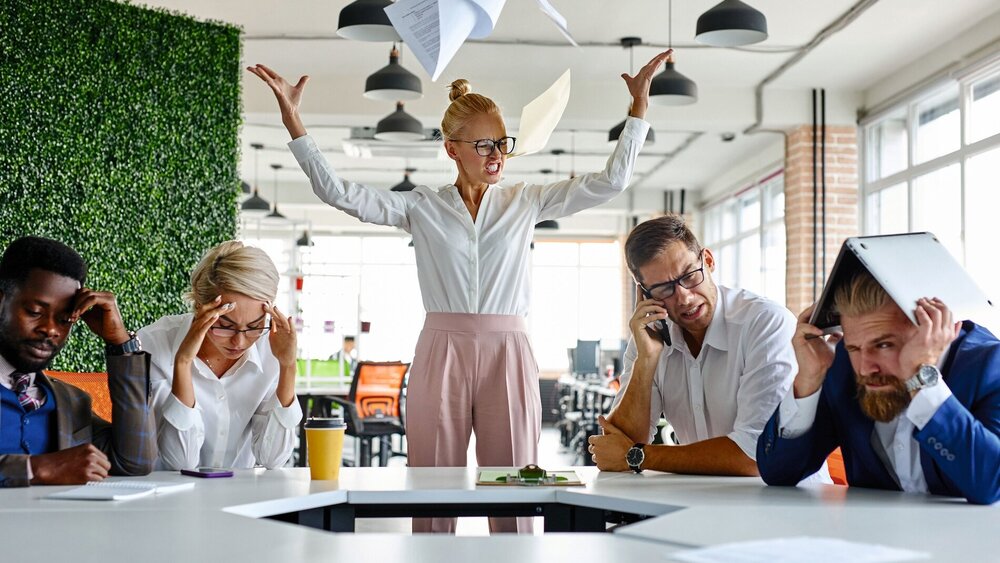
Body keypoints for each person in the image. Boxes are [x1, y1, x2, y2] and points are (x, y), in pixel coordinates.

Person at [248, 50, 670, 533]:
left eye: (503, 144)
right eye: (485, 145)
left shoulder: (526, 200)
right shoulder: (421, 206)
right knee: (432, 487)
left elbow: (611, 182)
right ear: (452, 149)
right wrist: (294, 122)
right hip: (441, 348)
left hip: (507, 349)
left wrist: (638, 108)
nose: (498, 156)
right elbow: (340, 193)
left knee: (514, 486)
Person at [756, 272, 1000, 504]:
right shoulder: (842, 365)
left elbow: (991, 483)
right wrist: (808, 379)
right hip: (871, 542)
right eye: (854, 348)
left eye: (883, 345)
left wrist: (921, 377)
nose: (864, 368)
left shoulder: (991, 366)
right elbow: (779, 472)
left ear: (939, 330)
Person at [589, 216, 799, 476]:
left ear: (708, 261)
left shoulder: (765, 323)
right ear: (644, 294)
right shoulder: (648, 337)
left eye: (689, 276)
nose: (684, 298)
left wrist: (638, 456)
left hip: (784, 506)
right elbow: (617, 443)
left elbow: (755, 455)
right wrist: (646, 361)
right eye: (664, 289)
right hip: (700, 500)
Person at [0, 236, 155, 487]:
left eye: (64, 320)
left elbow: (134, 461)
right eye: (35, 312)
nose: (50, 329)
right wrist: (34, 468)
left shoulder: (71, 402)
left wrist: (120, 345)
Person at [138, 241, 303, 470]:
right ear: (199, 306)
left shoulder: (271, 349)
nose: (240, 341)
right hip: (169, 498)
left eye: (255, 326)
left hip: (241, 497)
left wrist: (288, 366)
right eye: (225, 325)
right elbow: (179, 461)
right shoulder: (154, 344)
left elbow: (272, 459)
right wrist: (183, 362)